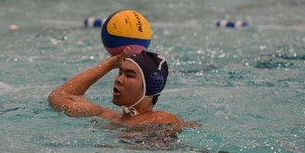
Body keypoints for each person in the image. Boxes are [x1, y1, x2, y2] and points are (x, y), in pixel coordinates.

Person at [48, 47, 201, 130]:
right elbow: (58, 97)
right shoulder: (105, 115)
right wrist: (107, 66)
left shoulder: (161, 119)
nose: (118, 79)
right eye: (119, 72)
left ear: (152, 85)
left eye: (129, 75)